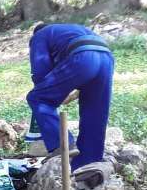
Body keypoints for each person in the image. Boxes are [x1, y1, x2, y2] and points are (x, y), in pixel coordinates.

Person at [26, 23, 114, 170]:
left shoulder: (39, 36)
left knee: (38, 98)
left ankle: (63, 145)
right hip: (106, 58)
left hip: (83, 57)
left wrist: (50, 92)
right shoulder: (68, 30)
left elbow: (40, 72)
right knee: (95, 114)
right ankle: (88, 166)